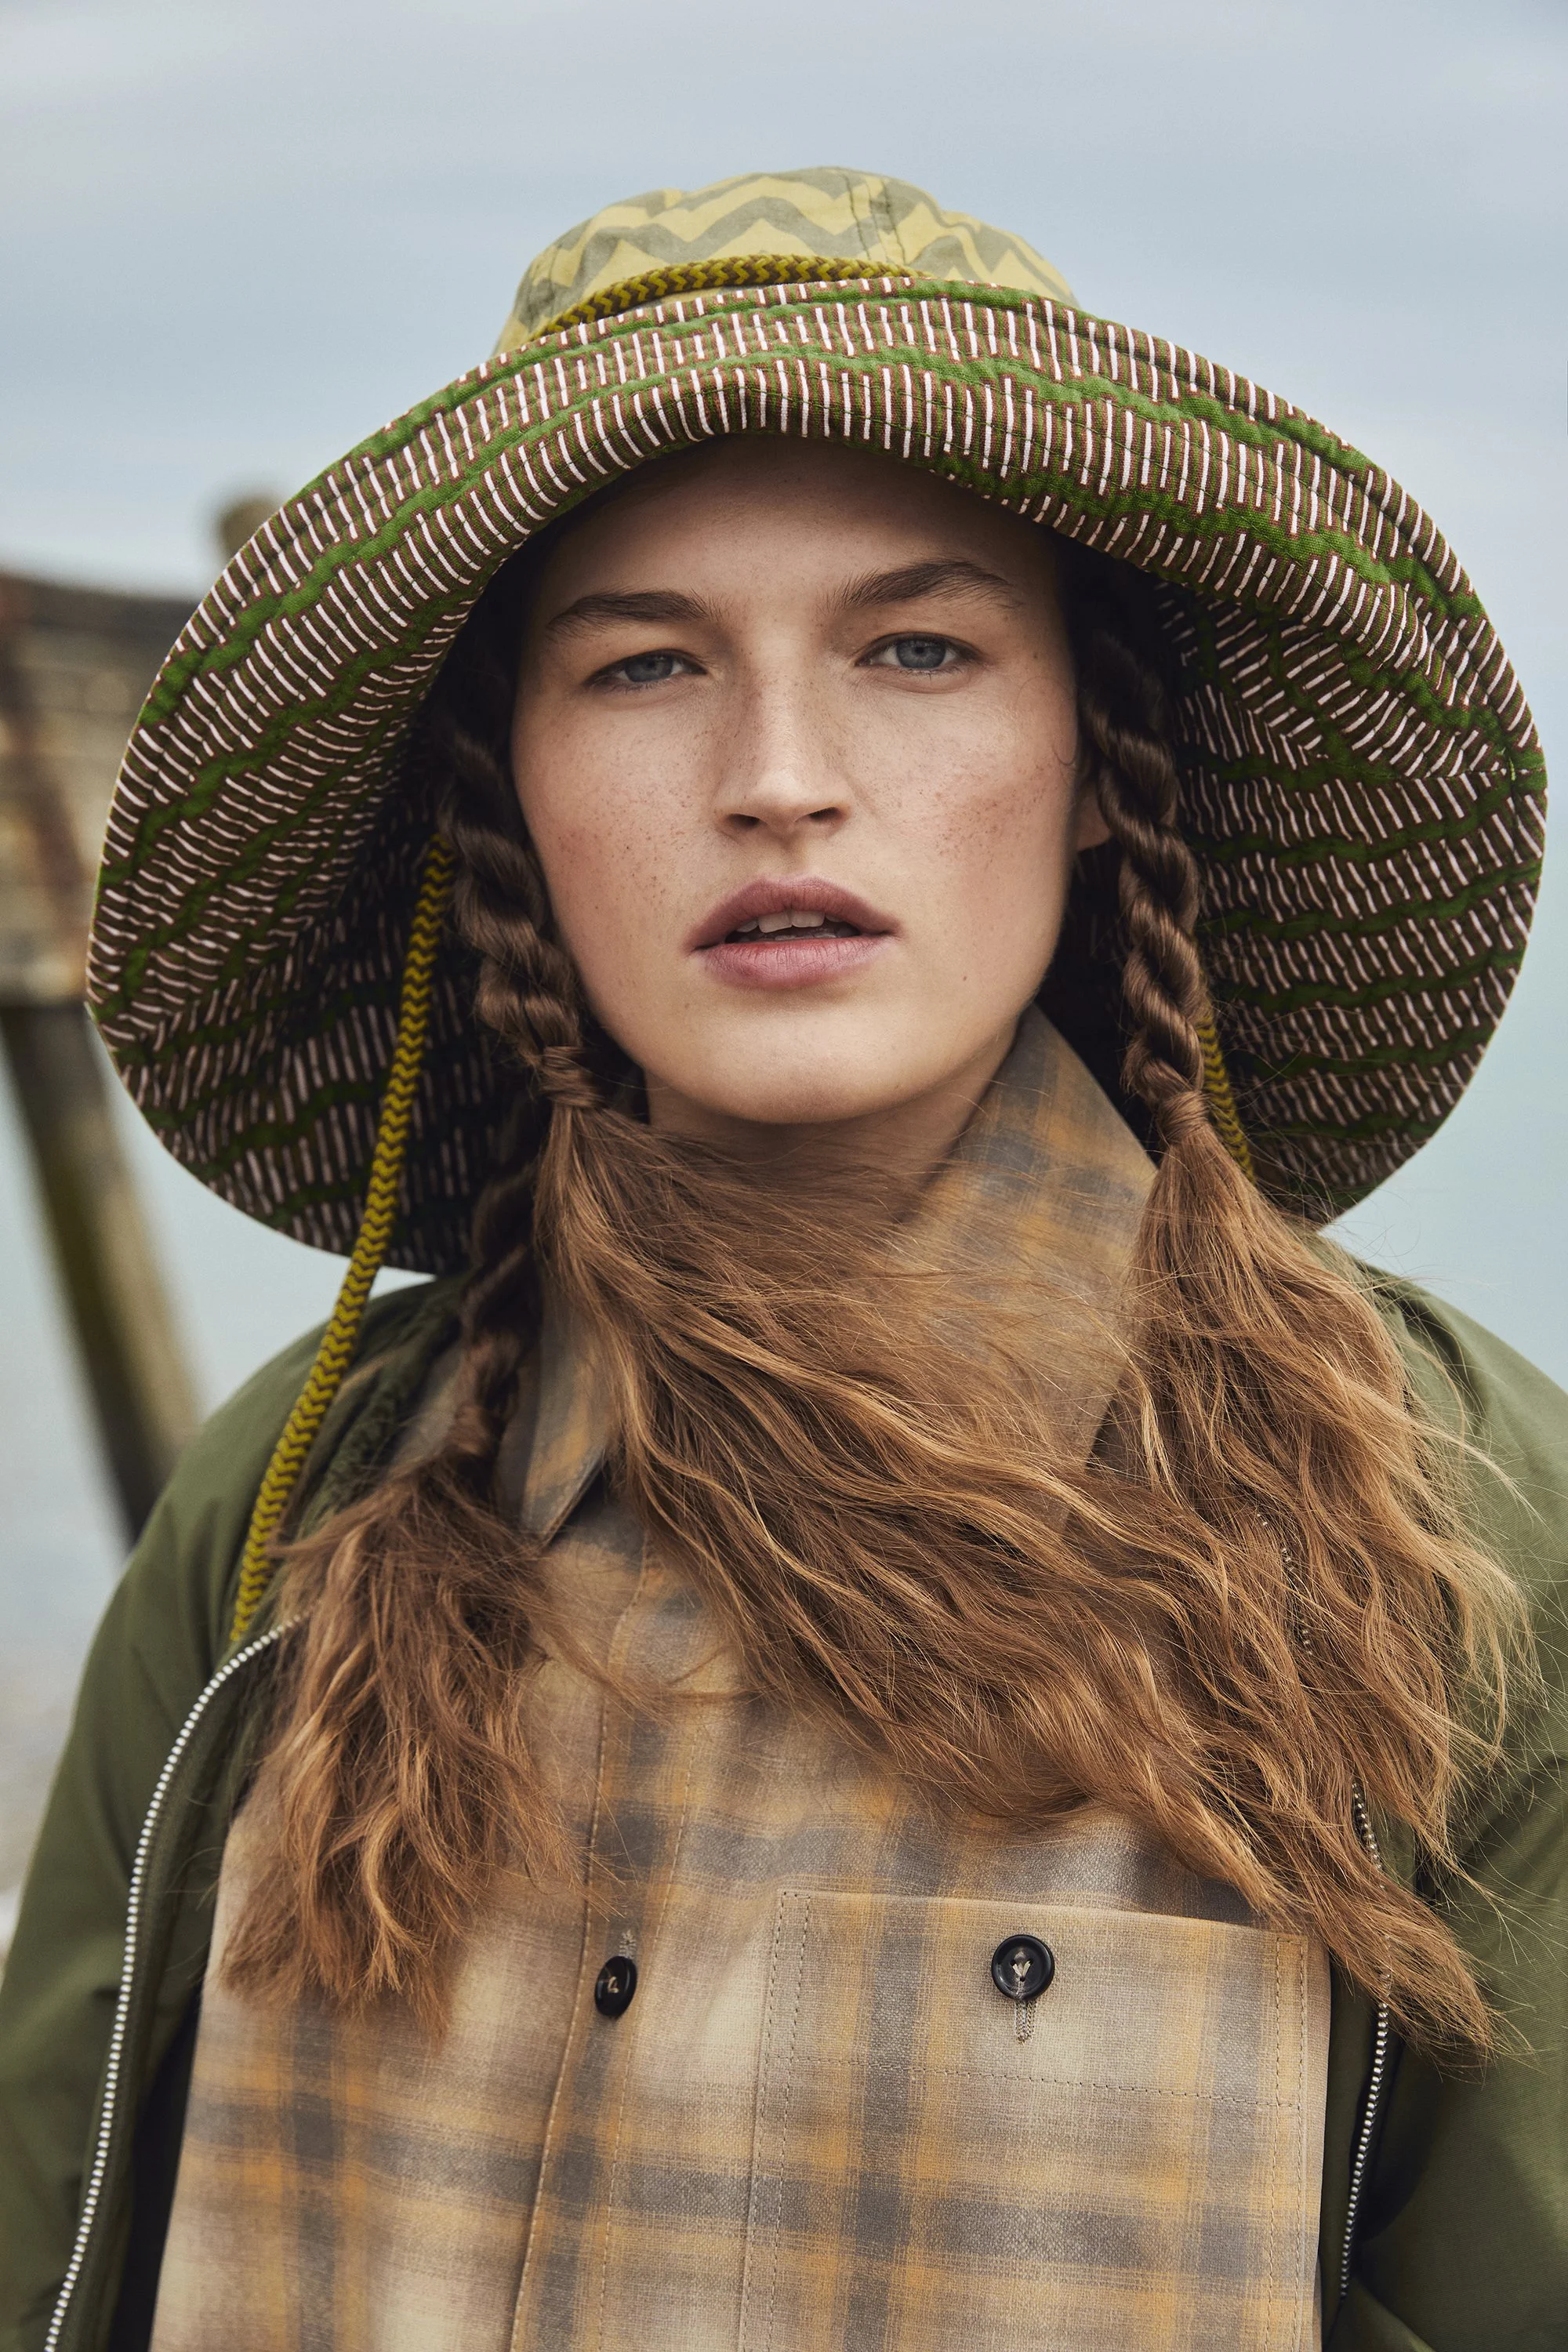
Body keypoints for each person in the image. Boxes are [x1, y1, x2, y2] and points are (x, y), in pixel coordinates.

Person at [0, 168, 1561, 2352]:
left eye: (919, 648)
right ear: (509, 802)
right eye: (643, 666)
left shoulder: (1435, 1526)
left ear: (1103, 760)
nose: (781, 780)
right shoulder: (309, 1508)